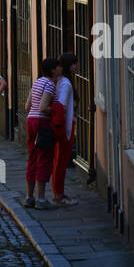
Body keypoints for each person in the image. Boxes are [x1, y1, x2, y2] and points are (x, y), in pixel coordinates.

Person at [24, 57, 58, 209]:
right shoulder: (50, 85)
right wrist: (59, 110)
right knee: (44, 158)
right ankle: (41, 199)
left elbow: (27, 106)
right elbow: (44, 107)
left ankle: (29, 197)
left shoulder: (36, 82)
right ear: (52, 70)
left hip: (30, 120)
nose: (60, 69)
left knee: (32, 156)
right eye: (58, 67)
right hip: (42, 122)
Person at [51, 52, 79, 207]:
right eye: (75, 63)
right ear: (70, 65)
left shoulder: (61, 81)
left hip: (63, 125)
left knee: (59, 160)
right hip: (65, 126)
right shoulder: (66, 84)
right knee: (61, 161)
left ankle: (58, 192)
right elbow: (61, 105)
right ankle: (58, 195)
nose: (77, 66)